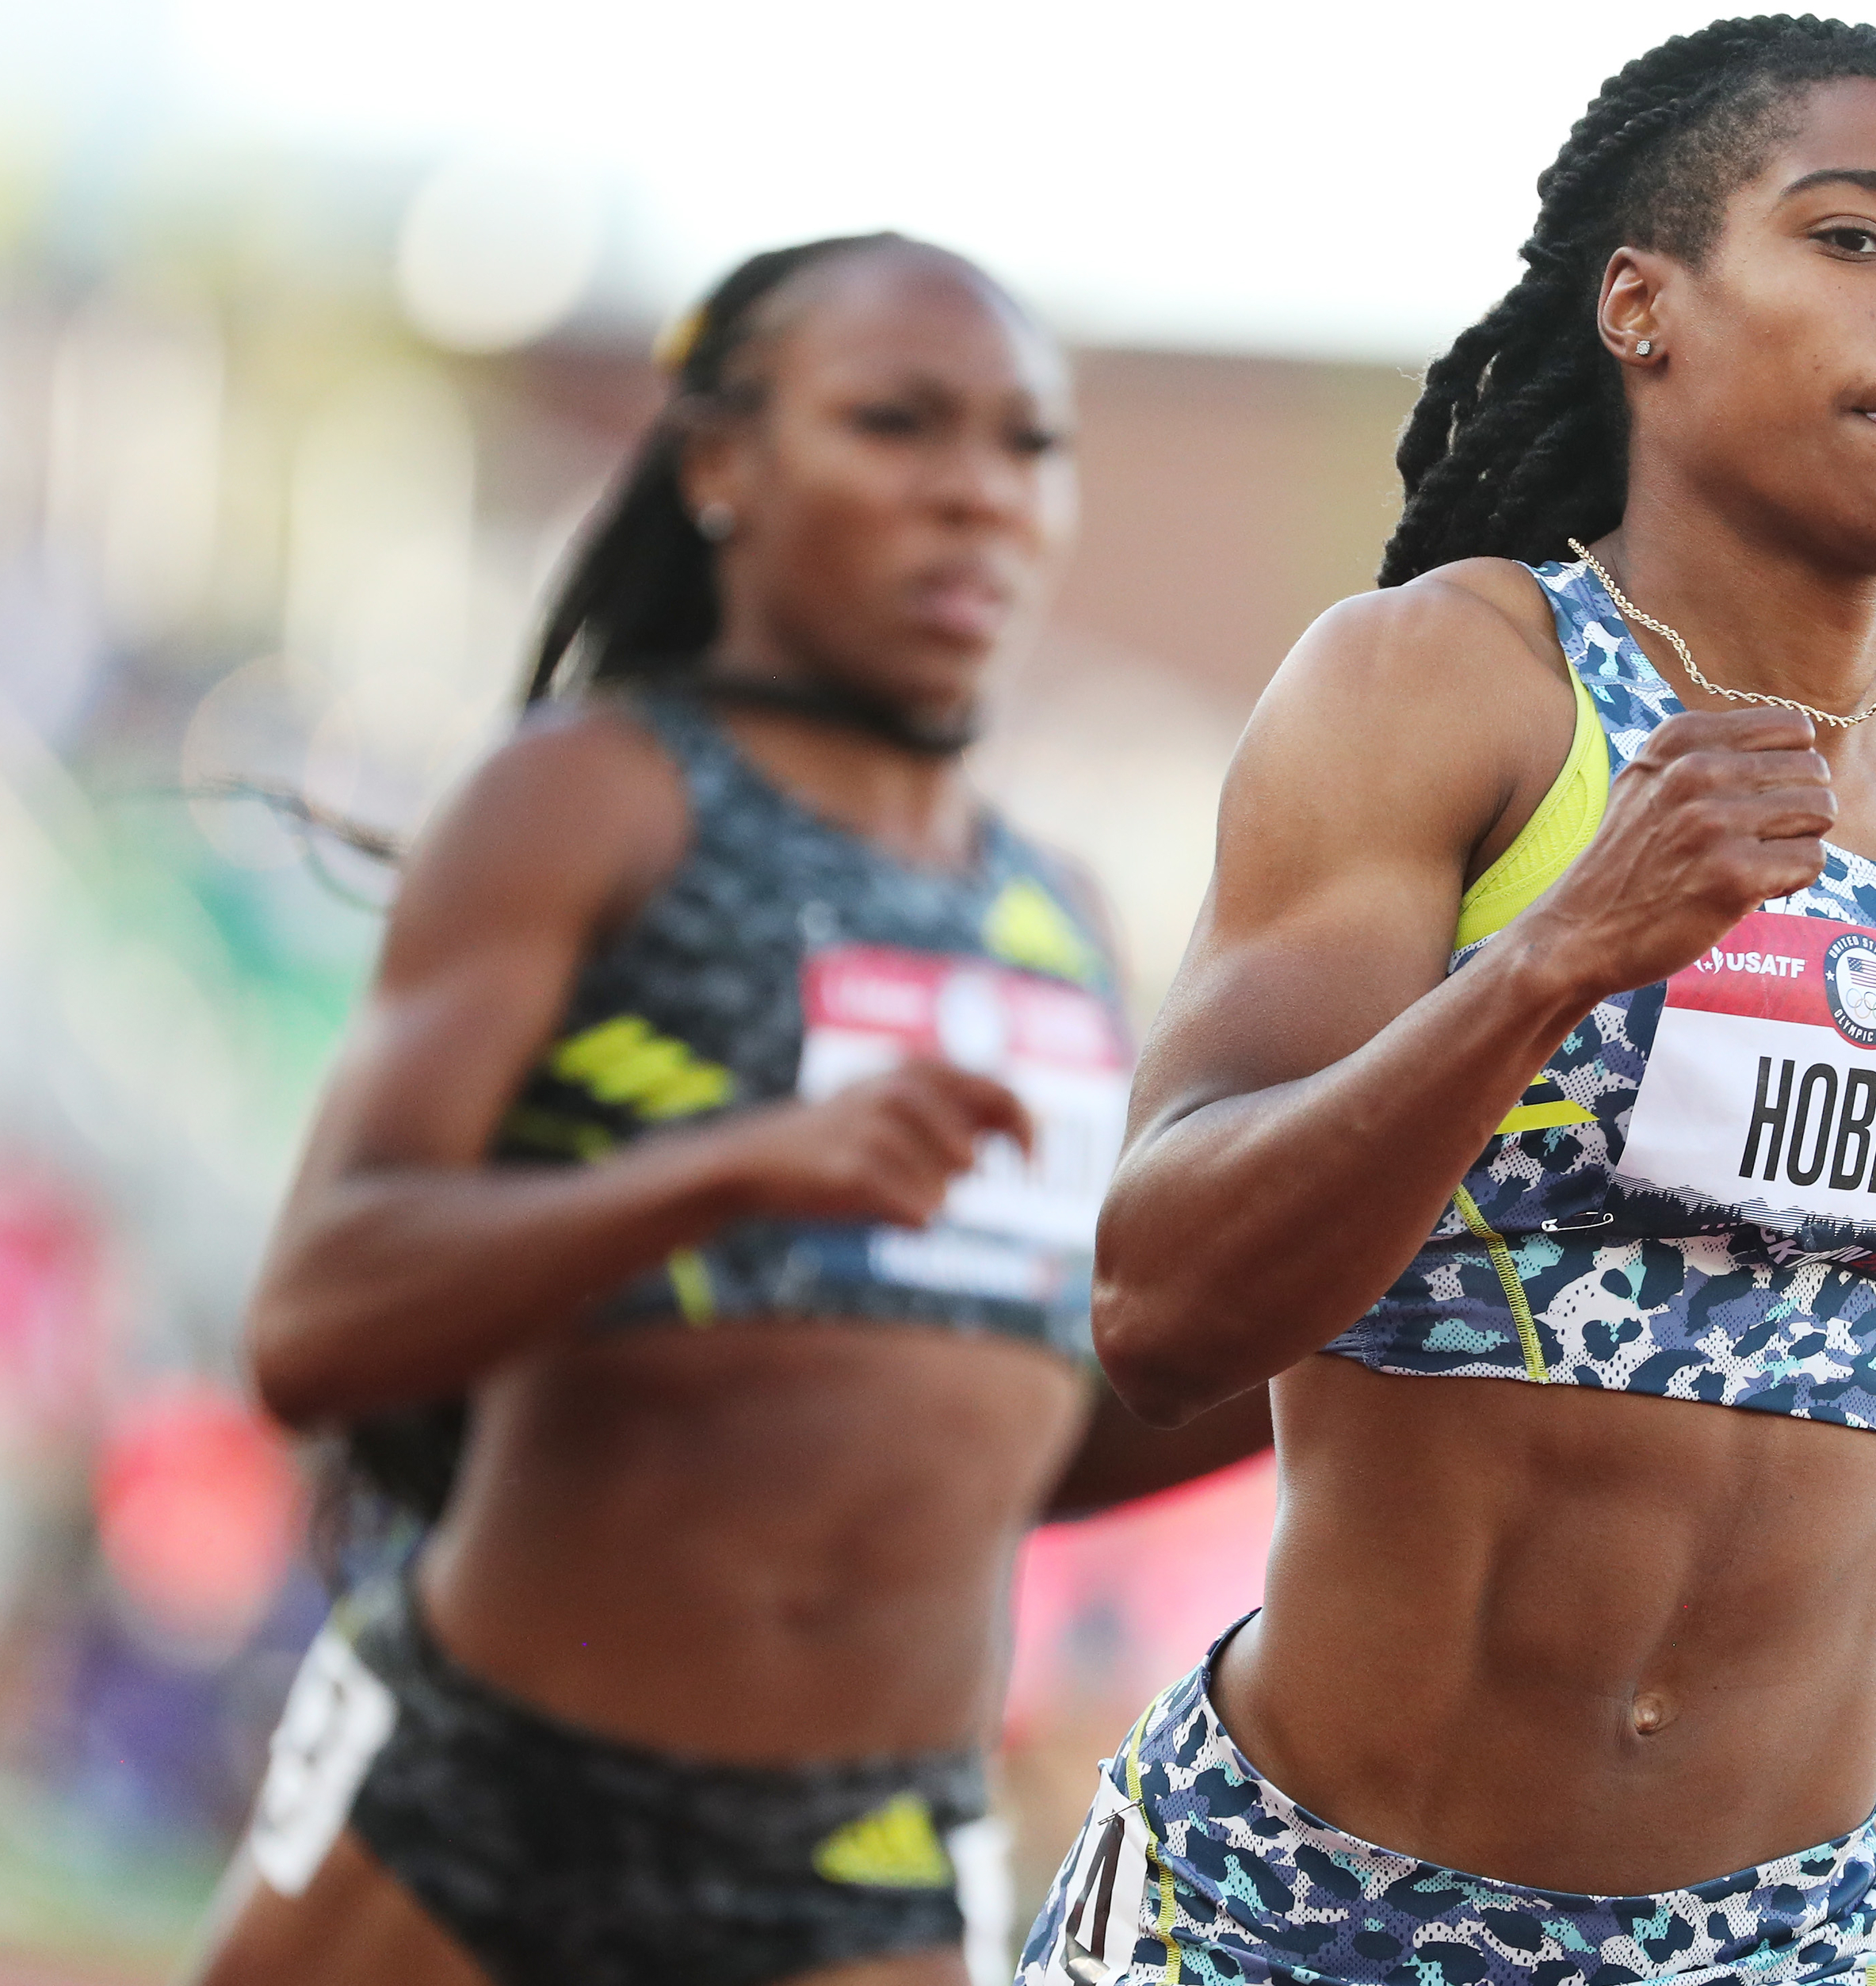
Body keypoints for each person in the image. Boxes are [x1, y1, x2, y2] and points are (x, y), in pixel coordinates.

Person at [1021, 17, 1876, 1985]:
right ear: (1639, 305)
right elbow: (1162, 1302)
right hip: (1309, 1913)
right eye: (1856, 241)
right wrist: (1558, 955)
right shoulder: (1442, 686)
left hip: (1778, 1936)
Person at [191, 234, 1266, 1986]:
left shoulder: (1057, 911)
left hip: (864, 1861)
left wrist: (1346, 1347)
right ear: (719, 467)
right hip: (489, 1804)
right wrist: (728, 1174)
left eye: (1026, 444)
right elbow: (315, 1320)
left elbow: (1025, 1440)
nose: (977, 496)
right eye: (897, 425)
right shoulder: (589, 799)